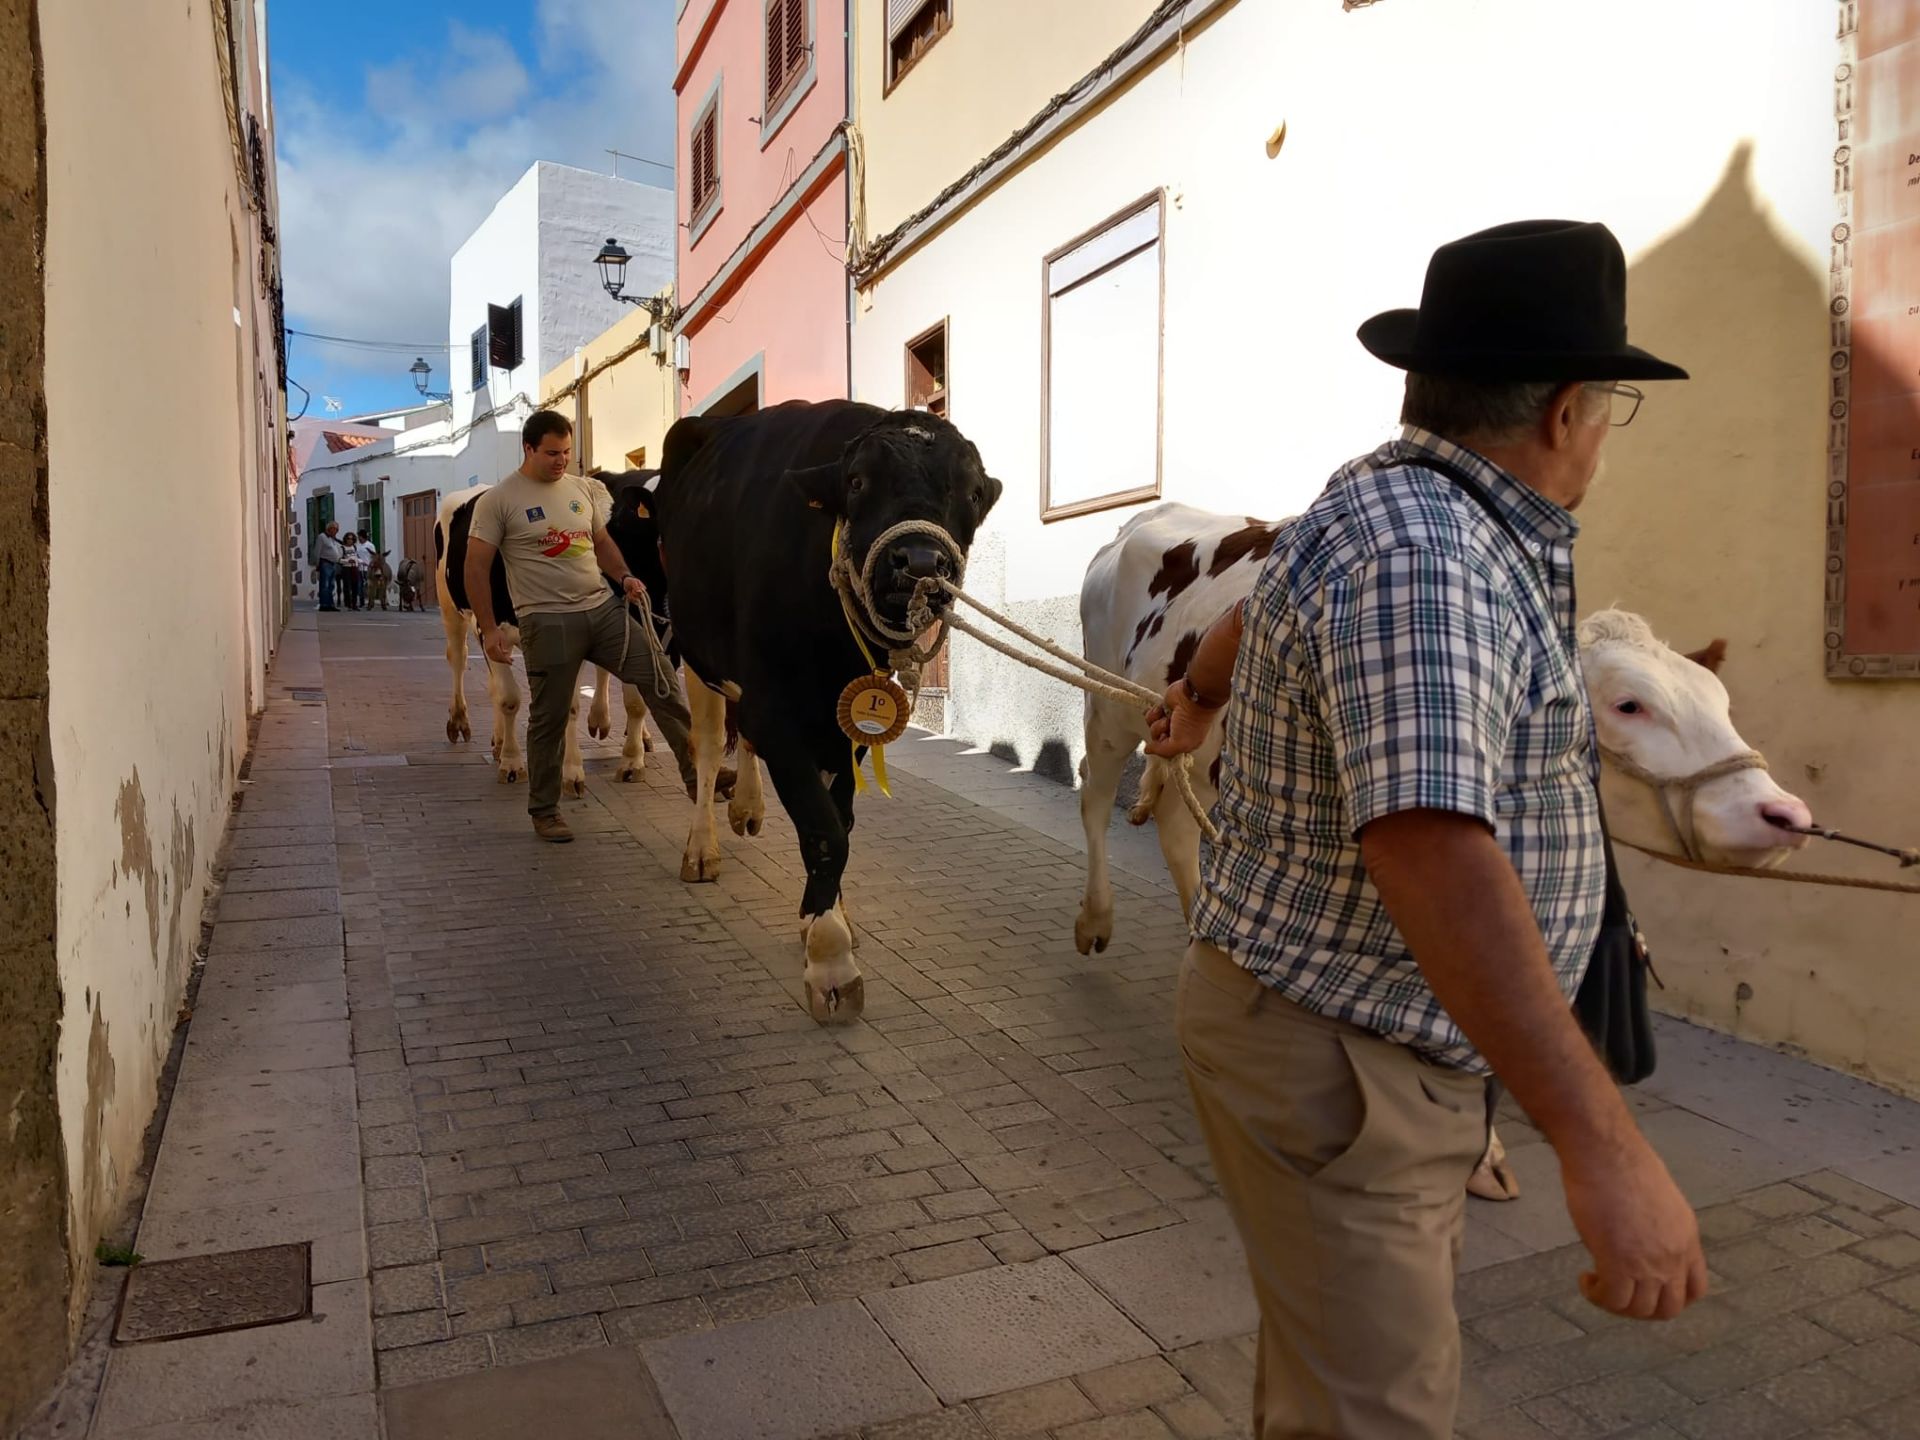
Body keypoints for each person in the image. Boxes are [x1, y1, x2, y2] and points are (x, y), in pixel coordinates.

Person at [1144, 220, 1706, 1439]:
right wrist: (1602, 1148)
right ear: (1567, 411)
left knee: (1342, 1391)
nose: (1606, 430)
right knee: (1374, 1418)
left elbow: (1259, 592)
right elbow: (1431, 849)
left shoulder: (1391, 500)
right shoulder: (1427, 550)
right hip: (1348, 1062)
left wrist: (1197, 695)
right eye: (1610, 401)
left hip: (1367, 1047)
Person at [464, 409, 703, 844]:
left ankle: (697, 778)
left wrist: (625, 576)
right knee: (551, 718)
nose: (561, 461)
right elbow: (476, 567)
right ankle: (545, 810)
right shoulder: (499, 500)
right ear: (529, 448)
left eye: (568, 452)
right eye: (552, 453)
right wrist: (488, 628)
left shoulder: (579, 491)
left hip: (602, 610)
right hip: (545, 620)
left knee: (660, 676)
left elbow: (602, 543)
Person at [314, 522, 344, 612]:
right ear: (329, 529)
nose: (335, 531)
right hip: (325, 563)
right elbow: (317, 551)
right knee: (325, 585)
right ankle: (324, 604)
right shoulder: (322, 537)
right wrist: (317, 564)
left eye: (337, 530)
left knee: (331, 585)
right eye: (334, 529)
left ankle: (330, 604)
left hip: (333, 564)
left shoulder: (333, 539)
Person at [354, 534, 380, 609]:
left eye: (360, 537)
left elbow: (374, 556)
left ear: (363, 537)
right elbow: (356, 555)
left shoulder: (370, 545)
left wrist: (370, 564)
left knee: (369, 585)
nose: (359, 539)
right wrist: (359, 561)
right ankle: (361, 601)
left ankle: (370, 601)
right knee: (360, 585)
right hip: (360, 567)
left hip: (368, 568)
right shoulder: (358, 546)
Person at [340, 532, 362, 611]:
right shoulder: (342, 548)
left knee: (355, 586)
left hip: (354, 568)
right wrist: (347, 561)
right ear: (345, 539)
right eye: (348, 539)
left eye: (352, 539)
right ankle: (348, 604)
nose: (350, 540)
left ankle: (354, 604)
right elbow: (339, 560)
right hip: (346, 568)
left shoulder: (354, 548)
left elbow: (357, 557)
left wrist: (359, 561)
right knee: (347, 587)